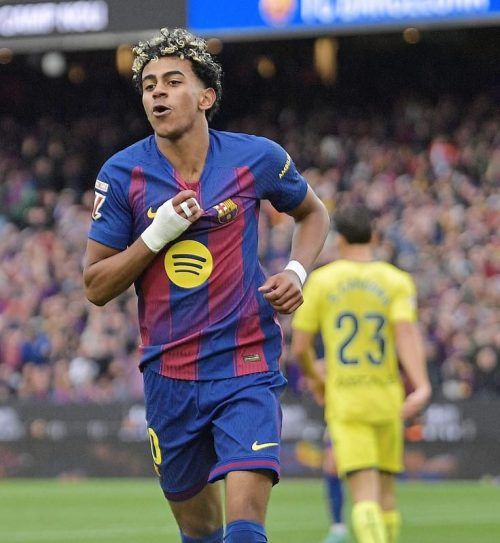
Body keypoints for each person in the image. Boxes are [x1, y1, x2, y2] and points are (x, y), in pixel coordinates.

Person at [83, 27, 330, 543]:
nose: (158, 92)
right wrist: (156, 235)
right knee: (200, 532)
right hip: (169, 375)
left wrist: (296, 271)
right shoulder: (122, 173)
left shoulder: (256, 158)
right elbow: (96, 285)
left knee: (245, 528)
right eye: (149, 85)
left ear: (206, 97)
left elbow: (313, 213)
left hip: (246, 363)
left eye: (173, 81)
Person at [291, 205, 431, 543]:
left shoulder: (323, 281)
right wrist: (422, 385)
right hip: (388, 399)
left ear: (338, 238)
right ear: (375, 236)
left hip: (347, 400)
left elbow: (300, 348)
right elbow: (406, 334)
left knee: (364, 497)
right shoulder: (396, 280)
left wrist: (316, 380)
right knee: (387, 497)